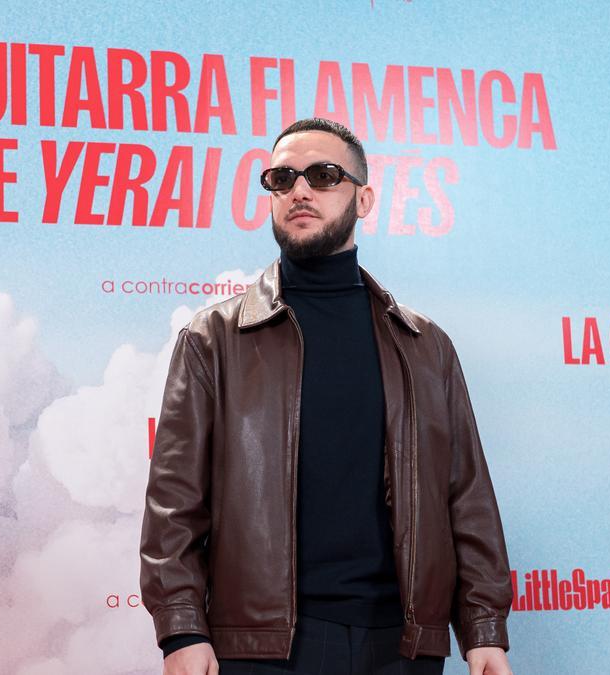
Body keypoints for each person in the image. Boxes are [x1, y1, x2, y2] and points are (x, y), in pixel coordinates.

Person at [140, 118, 514, 675]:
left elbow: (467, 496)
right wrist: (181, 631)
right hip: (262, 649)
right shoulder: (213, 339)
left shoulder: (426, 346)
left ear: (363, 199)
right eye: (281, 177)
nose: (299, 190)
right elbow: (174, 502)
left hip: (403, 648)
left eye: (322, 175)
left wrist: (484, 630)